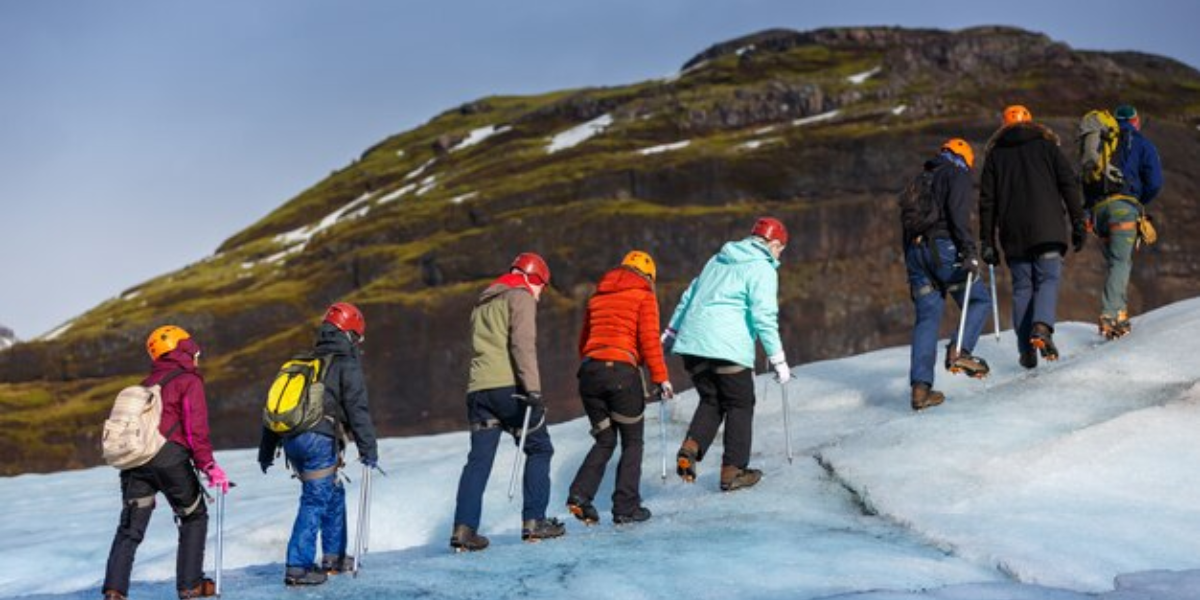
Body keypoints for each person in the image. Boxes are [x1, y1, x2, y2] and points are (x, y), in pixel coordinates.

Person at [662, 217, 789, 492]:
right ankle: (733, 471)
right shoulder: (763, 268)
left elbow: (688, 296)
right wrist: (778, 359)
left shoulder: (717, 260)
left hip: (693, 345)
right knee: (740, 403)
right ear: (774, 244)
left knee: (712, 399)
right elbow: (764, 316)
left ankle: (691, 448)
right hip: (727, 347)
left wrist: (670, 335)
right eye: (780, 250)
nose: (779, 257)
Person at [258, 302, 380, 586]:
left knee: (332, 492)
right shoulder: (345, 364)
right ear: (350, 334)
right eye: (358, 337)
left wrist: (266, 452)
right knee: (315, 499)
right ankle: (298, 567)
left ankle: (334, 557)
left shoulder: (302, 363)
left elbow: (274, 408)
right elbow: (357, 410)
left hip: (291, 440)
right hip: (318, 440)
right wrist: (369, 449)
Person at [103, 326, 229, 600]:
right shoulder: (188, 380)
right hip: (169, 458)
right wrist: (208, 465)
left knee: (130, 528)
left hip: (135, 461)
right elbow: (196, 428)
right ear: (182, 347)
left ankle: (114, 591)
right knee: (193, 516)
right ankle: (191, 586)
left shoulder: (147, 383)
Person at [450, 252, 565, 552]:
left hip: (478, 391)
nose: (540, 293)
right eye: (541, 285)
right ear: (532, 278)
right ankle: (534, 522)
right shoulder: (521, 296)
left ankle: (464, 529)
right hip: (508, 388)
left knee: (478, 461)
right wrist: (534, 391)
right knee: (540, 448)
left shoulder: (483, 302)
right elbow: (522, 344)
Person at [566, 250, 673, 526]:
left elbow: (583, 342)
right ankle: (626, 507)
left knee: (604, 440)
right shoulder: (643, 295)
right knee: (632, 441)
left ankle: (580, 495)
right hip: (621, 373)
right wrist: (661, 378)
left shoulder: (598, 296)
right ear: (648, 276)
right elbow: (649, 340)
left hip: (590, 373)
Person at [979, 105, 1086, 369]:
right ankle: (1041, 328)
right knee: (1047, 279)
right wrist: (1078, 222)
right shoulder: (1047, 148)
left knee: (1023, 289)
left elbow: (987, 202)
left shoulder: (995, 157)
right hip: (1047, 228)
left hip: (1013, 235)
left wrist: (987, 242)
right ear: (1031, 122)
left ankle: (1026, 350)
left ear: (1003, 125)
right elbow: (1069, 185)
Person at [903, 139, 993, 411]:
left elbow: (905, 225)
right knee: (978, 300)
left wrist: (912, 268)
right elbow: (958, 215)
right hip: (944, 250)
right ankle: (960, 351)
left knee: (927, 319)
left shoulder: (919, 179)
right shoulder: (957, 173)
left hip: (915, 253)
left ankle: (921, 390)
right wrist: (969, 251)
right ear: (964, 157)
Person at [1086, 104, 1164, 339]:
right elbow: (1155, 182)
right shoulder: (1142, 144)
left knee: (1117, 261)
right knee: (1121, 261)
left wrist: (1089, 212)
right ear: (1136, 121)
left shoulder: (1101, 142)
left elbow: (1087, 177)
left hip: (1099, 209)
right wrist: (1138, 201)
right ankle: (1110, 315)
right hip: (1124, 208)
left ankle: (1119, 313)